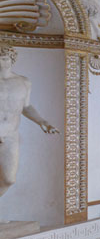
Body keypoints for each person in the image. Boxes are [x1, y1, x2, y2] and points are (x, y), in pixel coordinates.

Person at [0, 43, 60, 211]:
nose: (1, 61)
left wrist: (43, 122)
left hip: (10, 136)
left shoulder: (23, 82)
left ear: (12, 59)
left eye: (4, 58)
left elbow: (26, 107)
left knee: (9, 179)